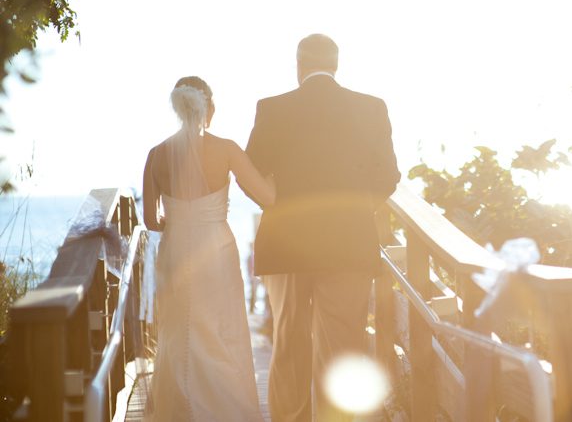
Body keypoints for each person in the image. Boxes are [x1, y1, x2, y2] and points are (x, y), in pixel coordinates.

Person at [246, 34, 400, 421]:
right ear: (336, 64)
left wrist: (275, 204)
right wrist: (356, 211)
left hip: (285, 244)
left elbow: (250, 174)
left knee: (288, 342)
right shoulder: (370, 108)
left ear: (298, 66)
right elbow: (389, 176)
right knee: (343, 344)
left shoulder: (272, 108)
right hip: (348, 243)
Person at [142, 76, 275, 421]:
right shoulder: (227, 148)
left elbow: (151, 221)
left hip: (175, 250)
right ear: (209, 108)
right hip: (215, 248)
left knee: (179, 329)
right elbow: (267, 197)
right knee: (221, 327)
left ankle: (180, 408)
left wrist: (179, 219)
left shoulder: (156, 154)